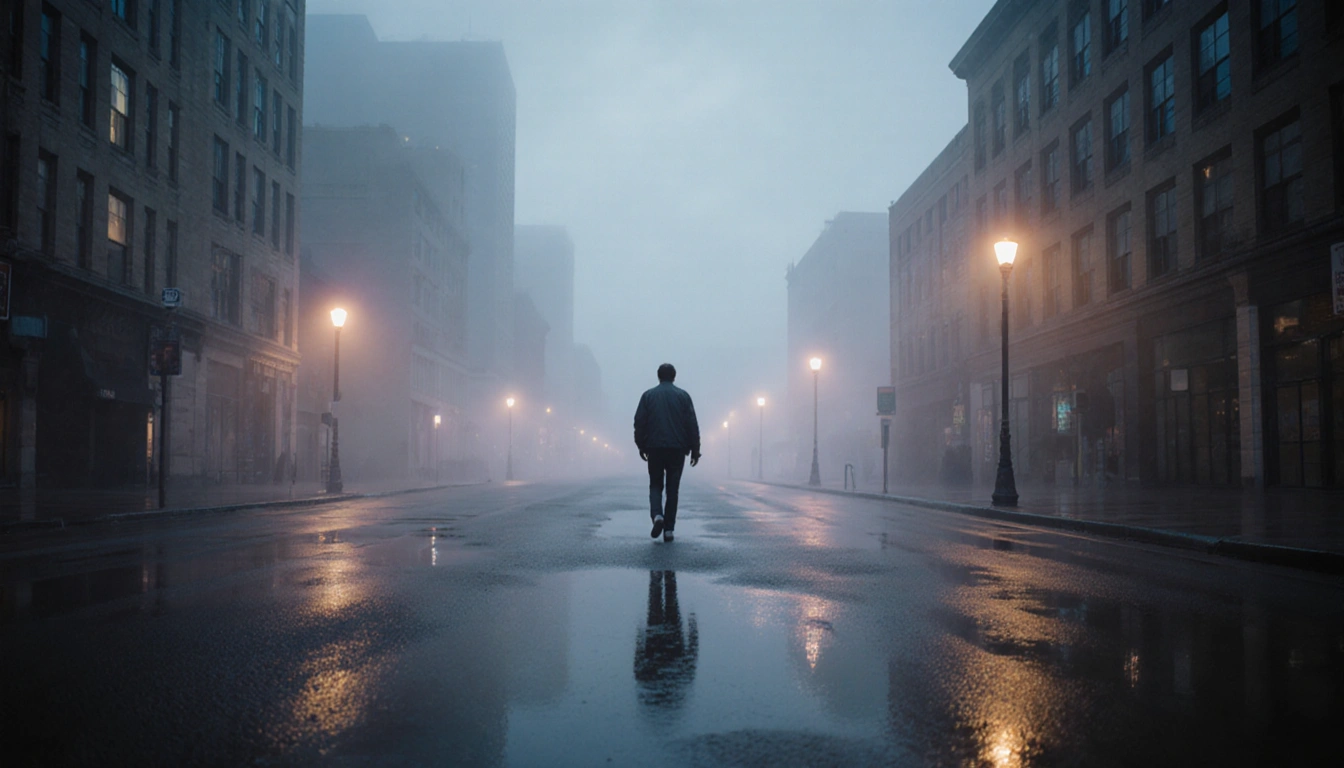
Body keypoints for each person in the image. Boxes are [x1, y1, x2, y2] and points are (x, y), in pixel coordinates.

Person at [633, 363, 701, 542]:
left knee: (655, 485)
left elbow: (639, 423)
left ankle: (657, 516)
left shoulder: (648, 396)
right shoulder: (683, 397)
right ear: (674, 376)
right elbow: (692, 425)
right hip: (677, 449)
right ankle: (669, 529)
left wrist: (641, 445)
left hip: (654, 448)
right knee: (673, 489)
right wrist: (695, 449)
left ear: (658, 376)